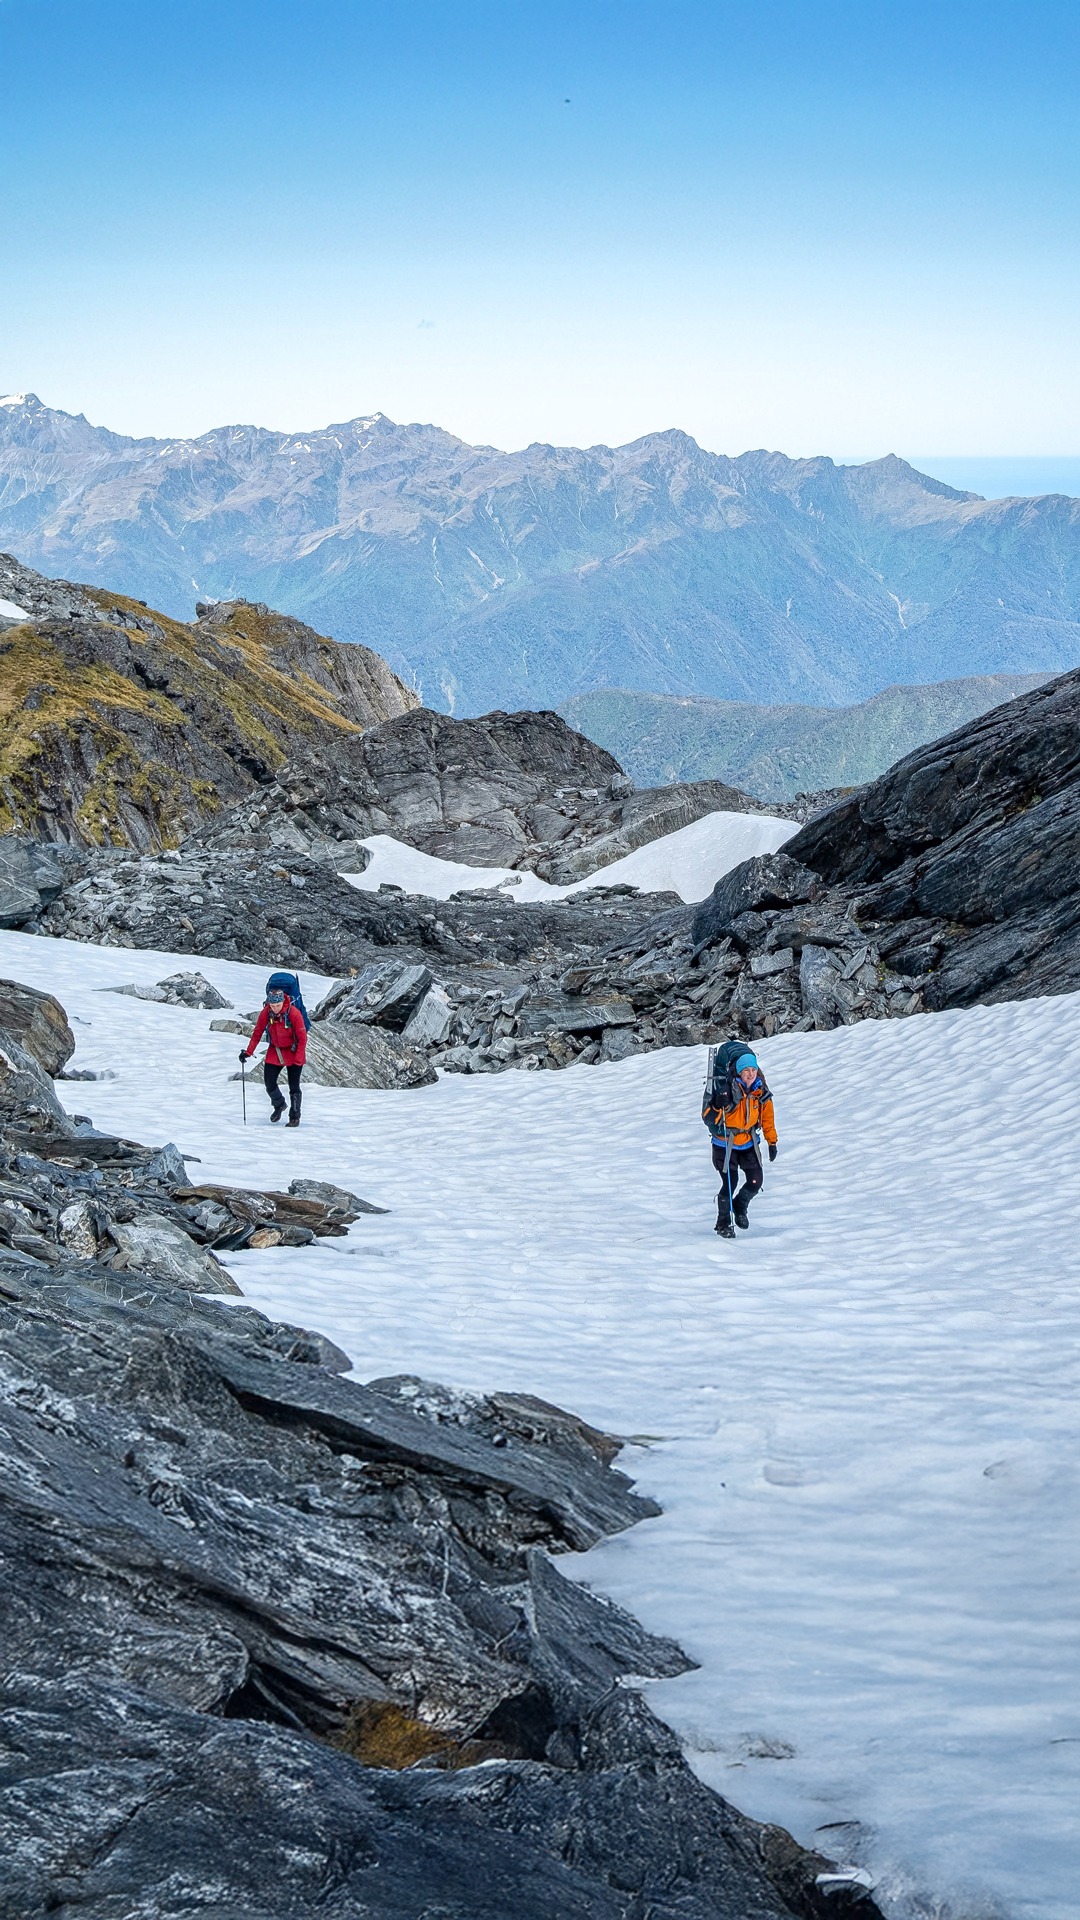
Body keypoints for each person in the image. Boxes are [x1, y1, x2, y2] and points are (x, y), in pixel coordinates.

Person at [702, 1049, 777, 1238]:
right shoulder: (727, 1090)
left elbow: (768, 1119)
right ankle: (723, 1223)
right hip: (724, 1144)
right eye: (746, 1070)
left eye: (753, 1069)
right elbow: (708, 1117)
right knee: (730, 1182)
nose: (750, 1074)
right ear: (739, 1072)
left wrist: (772, 1142)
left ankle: (740, 1205)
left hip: (749, 1142)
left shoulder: (761, 1091)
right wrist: (718, 1104)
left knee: (755, 1180)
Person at [241, 981, 307, 1127]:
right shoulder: (267, 1011)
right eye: (272, 1006)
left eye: (277, 1006)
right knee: (269, 1083)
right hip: (275, 1050)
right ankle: (279, 1104)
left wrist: (298, 1059)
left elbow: (302, 1038)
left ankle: (294, 1117)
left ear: (283, 1001)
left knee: (294, 1086)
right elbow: (257, 1032)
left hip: (293, 1051)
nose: (275, 1009)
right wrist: (248, 1052)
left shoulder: (294, 1014)